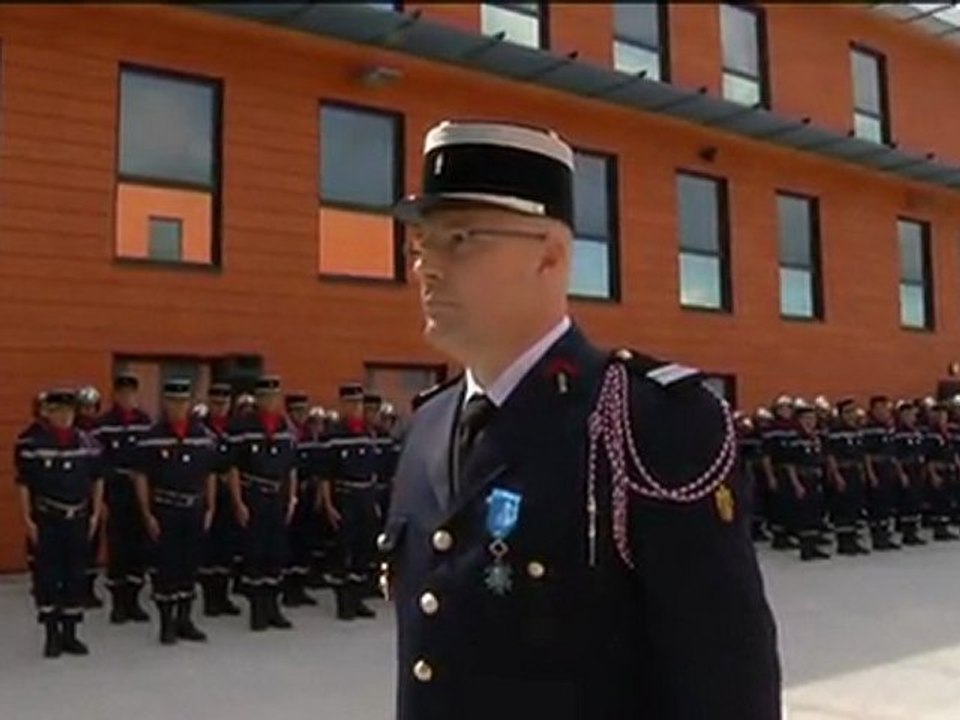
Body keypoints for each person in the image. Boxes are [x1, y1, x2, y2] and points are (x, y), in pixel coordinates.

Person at [381, 119, 781, 720]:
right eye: (421, 244)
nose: (426, 268)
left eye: (460, 239)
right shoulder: (428, 428)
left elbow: (724, 684)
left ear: (551, 255)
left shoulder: (645, 423)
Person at [17, 389, 104, 658]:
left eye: (69, 412)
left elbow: (97, 479)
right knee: (48, 577)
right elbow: (23, 485)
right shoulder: (31, 444)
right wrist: (27, 520)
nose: (65, 417)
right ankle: (51, 635)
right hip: (47, 519)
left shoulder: (88, 443)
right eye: (59, 411)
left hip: (77, 519)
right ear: (49, 412)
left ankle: (71, 634)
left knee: (74, 575)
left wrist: (95, 514)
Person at [132, 379, 219, 645]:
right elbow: (141, 476)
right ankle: (167, 623)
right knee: (166, 567)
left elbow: (211, 474)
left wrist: (210, 507)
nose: (179, 407)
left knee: (189, 566)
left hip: (193, 509)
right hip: (166, 509)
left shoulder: (202, 436)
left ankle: (185, 619)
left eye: (183, 402)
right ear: (166, 403)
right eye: (173, 402)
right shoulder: (151, 436)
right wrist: (147, 513)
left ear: (190, 403)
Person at [226, 375, 298, 631]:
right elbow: (232, 467)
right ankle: (257, 610)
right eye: (265, 397)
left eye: (274, 396)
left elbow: (291, 467)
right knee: (255, 552)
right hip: (254, 494)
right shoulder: (243, 426)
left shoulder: (284, 428)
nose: (270, 401)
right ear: (257, 399)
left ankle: (273, 607)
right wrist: (238, 502)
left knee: (276, 552)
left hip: (277, 496)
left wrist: (292, 497)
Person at [94, 373, 153, 624]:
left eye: (131, 393)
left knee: (139, 548)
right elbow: (98, 464)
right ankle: (118, 604)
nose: (127, 398)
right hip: (116, 490)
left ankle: (134, 600)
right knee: (118, 548)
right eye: (122, 393)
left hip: (139, 492)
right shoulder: (104, 424)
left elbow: (151, 459)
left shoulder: (145, 422)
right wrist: (102, 501)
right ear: (115, 395)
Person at [319, 384, 380, 621]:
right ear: (342, 405)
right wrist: (328, 504)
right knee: (343, 551)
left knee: (362, 550)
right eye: (351, 403)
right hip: (344, 496)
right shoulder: (333, 434)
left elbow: (372, 472)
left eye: (358, 404)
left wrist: (373, 500)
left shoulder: (367, 432)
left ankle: (357, 599)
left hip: (365, 496)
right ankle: (343, 602)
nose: (356, 408)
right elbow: (325, 474)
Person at [198, 383, 242, 617]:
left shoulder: (235, 429)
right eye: (216, 403)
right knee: (209, 548)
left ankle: (223, 596)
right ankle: (209, 598)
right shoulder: (200, 429)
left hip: (229, 494)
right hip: (207, 494)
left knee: (226, 546)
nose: (220, 407)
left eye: (224, 403)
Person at [282, 392, 319, 607]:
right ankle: (289, 590)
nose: (302, 415)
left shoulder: (308, 434)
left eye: (304, 411)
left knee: (305, 541)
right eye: (297, 411)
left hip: (308, 493)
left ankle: (300, 586)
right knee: (291, 543)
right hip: (292, 494)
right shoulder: (288, 434)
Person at [782, 401, 830, 561]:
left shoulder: (815, 438)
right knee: (805, 513)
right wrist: (796, 484)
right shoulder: (795, 438)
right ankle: (806, 548)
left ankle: (814, 544)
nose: (810, 421)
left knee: (815, 512)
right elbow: (789, 464)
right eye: (806, 418)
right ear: (800, 420)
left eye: (813, 418)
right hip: (802, 478)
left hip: (815, 477)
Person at [825, 399, 870, 555]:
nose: (851, 415)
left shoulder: (857, 431)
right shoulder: (835, 432)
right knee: (843, 507)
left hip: (855, 471)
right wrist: (836, 475)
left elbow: (862, 454)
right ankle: (844, 542)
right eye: (848, 412)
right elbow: (830, 455)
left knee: (854, 505)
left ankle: (853, 539)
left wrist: (864, 471)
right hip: (843, 471)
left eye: (853, 411)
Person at [75, 386, 105, 609]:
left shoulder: (101, 431)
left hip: (96, 494)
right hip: (75, 494)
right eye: (84, 406)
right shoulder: (71, 431)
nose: (88, 411)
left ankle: (88, 588)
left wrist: (101, 502)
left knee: (92, 545)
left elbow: (102, 470)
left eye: (91, 407)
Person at [861, 395, 903, 550]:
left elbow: (893, 452)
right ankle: (878, 537)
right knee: (877, 503)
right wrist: (870, 473)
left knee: (887, 502)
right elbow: (866, 454)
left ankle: (885, 533)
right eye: (879, 408)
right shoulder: (870, 428)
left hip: (888, 467)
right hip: (877, 467)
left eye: (885, 408)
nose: (883, 411)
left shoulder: (889, 428)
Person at [923, 403, 960, 541]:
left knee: (947, 499)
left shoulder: (947, 434)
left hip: (949, 469)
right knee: (939, 500)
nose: (941, 419)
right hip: (938, 469)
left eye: (944, 416)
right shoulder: (931, 435)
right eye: (938, 416)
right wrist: (932, 475)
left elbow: (953, 453)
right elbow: (928, 457)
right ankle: (939, 528)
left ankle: (944, 526)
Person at [894, 400, 929, 545]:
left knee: (916, 499)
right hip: (905, 468)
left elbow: (923, 452)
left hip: (917, 468)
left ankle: (913, 530)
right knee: (906, 500)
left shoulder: (917, 432)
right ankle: (906, 532)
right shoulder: (897, 433)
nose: (910, 418)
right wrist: (901, 473)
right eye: (907, 415)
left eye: (912, 415)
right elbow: (895, 456)